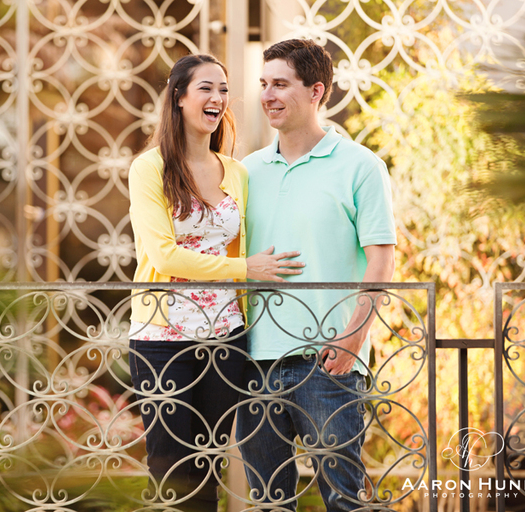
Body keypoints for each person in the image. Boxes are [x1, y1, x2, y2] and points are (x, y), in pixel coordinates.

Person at [127, 54, 304, 512]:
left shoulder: (237, 172)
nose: (217, 98)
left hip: (226, 336)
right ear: (179, 97)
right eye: (206, 88)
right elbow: (164, 255)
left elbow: (242, 243)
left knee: (209, 467)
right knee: (169, 470)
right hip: (162, 339)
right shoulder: (150, 168)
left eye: (223, 89)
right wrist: (245, 269)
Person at [235, 39, 397, 511]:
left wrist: (353, 338)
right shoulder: (247, 172)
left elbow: (381, 260)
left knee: (344, 501)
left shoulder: (361, 167)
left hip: (328, 363)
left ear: (316, 91)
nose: (268, 95)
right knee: (268, 504)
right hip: (254, 364)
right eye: (264, 84)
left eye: (281, 84)